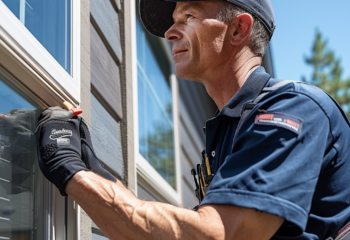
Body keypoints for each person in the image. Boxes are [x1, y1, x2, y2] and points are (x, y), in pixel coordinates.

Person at [35, 0, 350, 239]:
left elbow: (218, 233)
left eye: (189, 17)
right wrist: (93, 172)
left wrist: (70, 170)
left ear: (239, 29)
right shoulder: (231, 125)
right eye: (174, 21)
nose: (171, 33)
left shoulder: (293, 109)